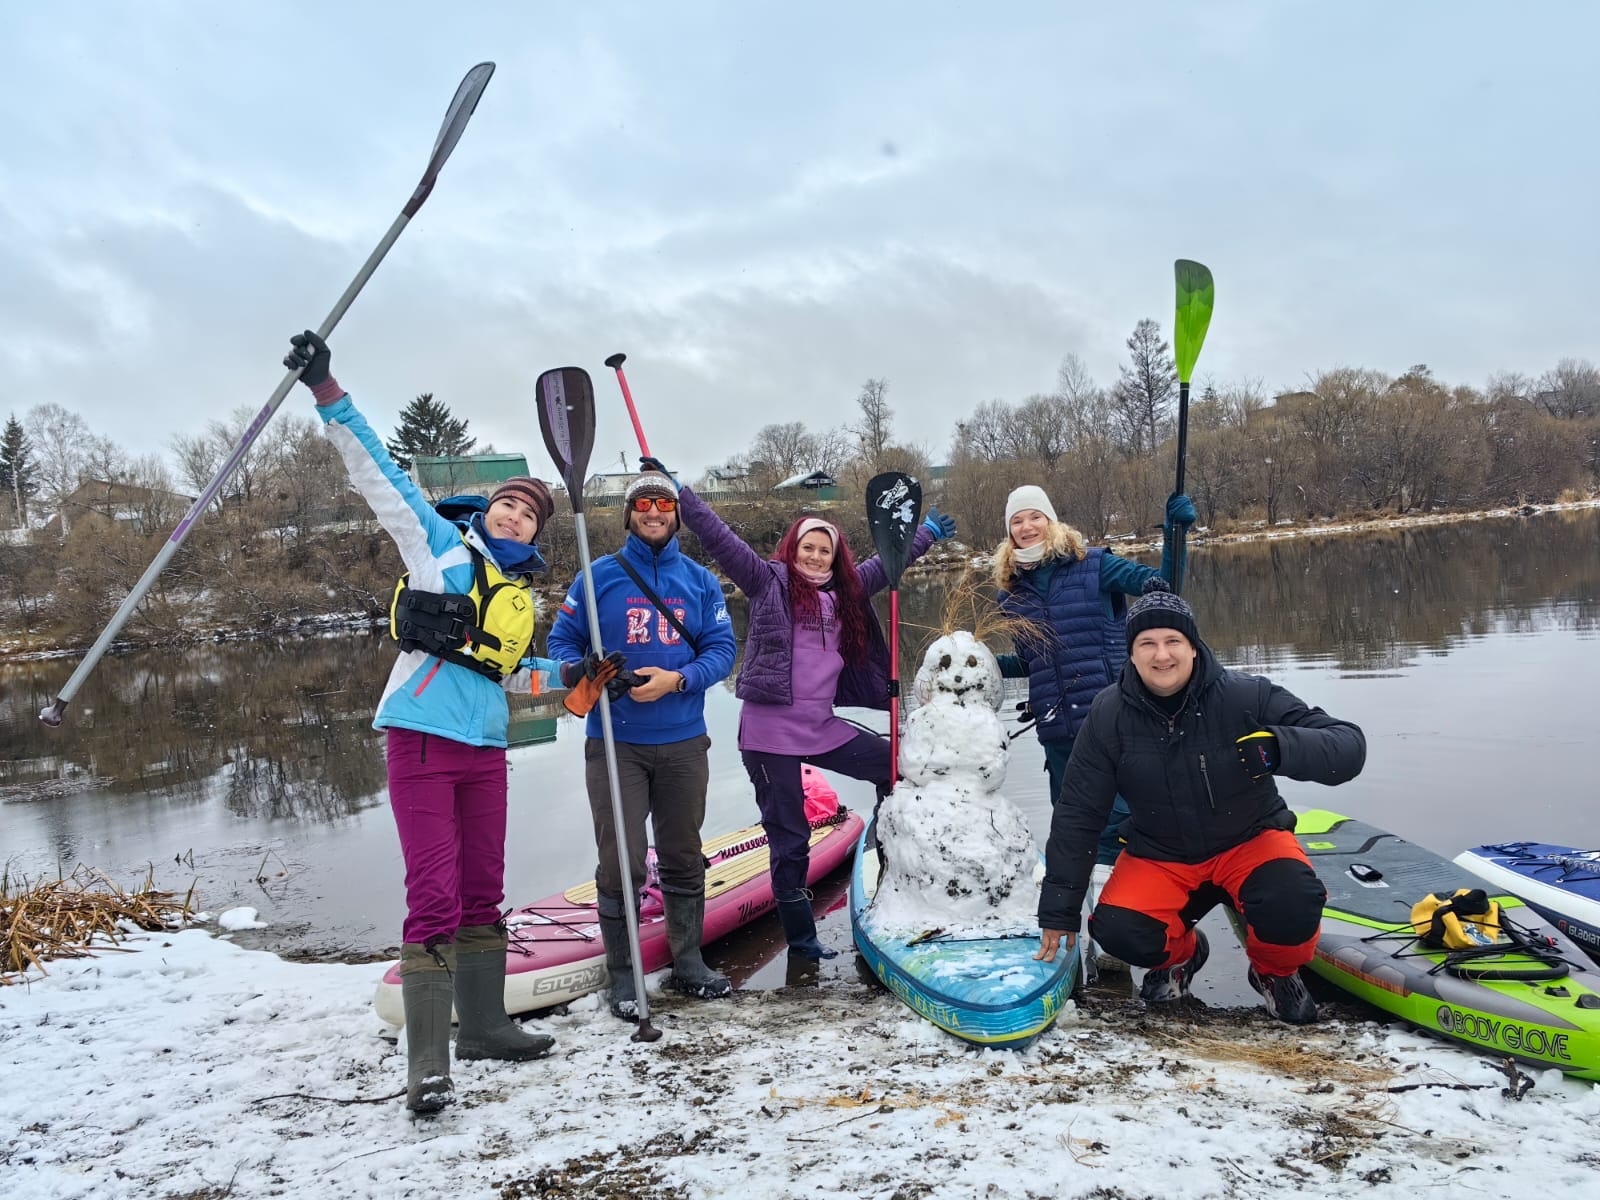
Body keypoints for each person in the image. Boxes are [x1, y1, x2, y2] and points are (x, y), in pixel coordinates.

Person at [284, 331, 566, 1114]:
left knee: (484, 891)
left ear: (536, 535)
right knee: (434, 896)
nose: (516, 515)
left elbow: (513, 672)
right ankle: (429, 1065)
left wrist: (577, 676)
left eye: (529, 513)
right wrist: (329, 392)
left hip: (483, 748)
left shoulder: (517, 599)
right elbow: (380, 476)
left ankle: (482, 1029)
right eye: (509, 503)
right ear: (489, 511)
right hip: (420, 739)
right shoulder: (440, 549)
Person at [659, 454, 957, 960]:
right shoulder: (766, 581)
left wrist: (924, 532)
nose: (816, 557)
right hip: (768, 735)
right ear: (792, 549)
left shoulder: (845, 593)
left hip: (820, 727)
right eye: (809, 548)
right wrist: (681, 493)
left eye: (825, 550)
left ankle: (892, 868)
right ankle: (801, 940)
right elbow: (719, 538)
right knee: (791, 839)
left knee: (895, 769)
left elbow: (887, 564)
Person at [1034, 578, 1365, 1025]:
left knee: (1293, 902)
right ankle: (1186, 953)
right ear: (1131, 653)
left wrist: (1280, 748)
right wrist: (1059, 911)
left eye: (1173, 640)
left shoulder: (1246, 696)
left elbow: (1347, 746)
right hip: (1162, 853)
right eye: (1147, 643)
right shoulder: (1108, 715)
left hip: (1250, 840)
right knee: (1118, 931)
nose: (1162, 655)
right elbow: (1078, 815)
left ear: (1194, 647)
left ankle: (1272, 972)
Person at [545, 469, 738, 1019]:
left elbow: (722, 649)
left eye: (663, 504)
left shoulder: (700, 581)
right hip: (614, 744)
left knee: (681, 854)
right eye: (643, 504)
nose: (654, 512)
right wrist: (579, 665)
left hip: (682, 742)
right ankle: (624, 976)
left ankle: (688, 962)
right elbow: (562, 641)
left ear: (676, 514)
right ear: (628, 513)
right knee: (621, 861)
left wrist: (678, 680)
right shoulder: (595, 577)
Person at [992, 485, 1197, 861]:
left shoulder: (1095, 565)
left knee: (1125, 824)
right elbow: (1031, 661)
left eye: (1035, 516)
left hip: (1114, 722)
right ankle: (1097, 906)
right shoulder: (1010, 595)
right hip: (1057, 736)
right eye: (1016, 521)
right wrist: (978, 661)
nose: (1026, 526)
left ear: (1051, 521)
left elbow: (1162, 588)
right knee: (1075, 831)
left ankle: (1153, 899)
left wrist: (1175, 534)